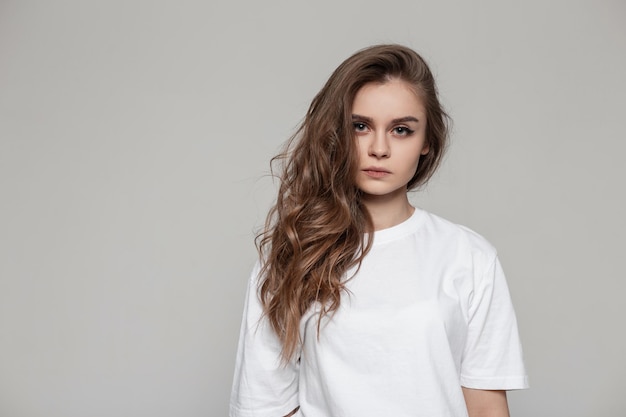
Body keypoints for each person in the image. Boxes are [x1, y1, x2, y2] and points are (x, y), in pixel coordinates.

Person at [230, 44, 528, 417]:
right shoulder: (292, 254)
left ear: (426, 143)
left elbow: (486, 407)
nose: (379, 148)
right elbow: (264, 406)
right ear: (336, 133)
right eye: (360, 126)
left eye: (401, 130)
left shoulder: (469, 256)